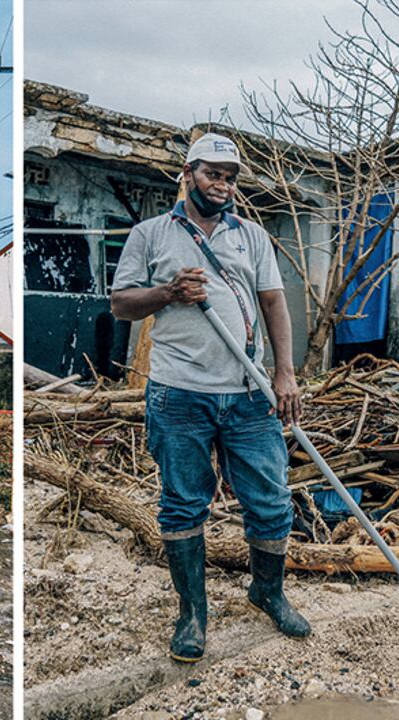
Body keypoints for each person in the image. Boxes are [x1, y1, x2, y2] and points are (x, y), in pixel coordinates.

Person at [110, 133, 308, 664]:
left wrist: (284, 374)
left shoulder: (253, 237)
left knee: (270, 501)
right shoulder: (150, 235)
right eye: (213, 173)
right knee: (182, 504)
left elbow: (274, 305)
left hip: (248, 394)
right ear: (188, 172)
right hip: (179, 394)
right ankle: (192, 614)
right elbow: (122, 305)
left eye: (230, 176)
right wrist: (169, 293)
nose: (222, 184)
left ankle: (268, 591)